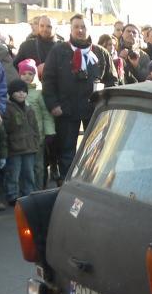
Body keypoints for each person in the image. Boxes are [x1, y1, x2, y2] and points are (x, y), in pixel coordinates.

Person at [42, 14, 117, 182]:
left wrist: (107, 104)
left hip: (95, 110)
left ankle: (92, 181)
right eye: (76, 27)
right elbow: (48, 79)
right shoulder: (59, 51)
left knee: (96, 148)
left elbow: (113, 80)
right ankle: (66, 182)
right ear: (70, 29)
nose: (80, 30)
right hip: (66, 109)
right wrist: (53, 104)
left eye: (83, 27)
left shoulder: (101, 52)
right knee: (66, 149)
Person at [16, 59, 54, 190]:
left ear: (35, 75)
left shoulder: (39, 92)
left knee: (38, 165)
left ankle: (39, 189)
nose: (27, 76)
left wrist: (50, 132)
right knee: (25, 166)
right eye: (24, 73)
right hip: (21, 137)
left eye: (30, 73)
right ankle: (25, 190)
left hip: (38, 136)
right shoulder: (15, 92)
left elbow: (46, 114)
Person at [3, 78, 39, 203]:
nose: (21, 94)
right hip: (14, 149)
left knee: (29, 173)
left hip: (29, 147)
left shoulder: (29, 109)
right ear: (11, 93)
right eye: (18, 91)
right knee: (13, 173)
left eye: (24, 91)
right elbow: (6, 129)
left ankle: (28, 194)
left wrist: (36, 141)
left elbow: (35, 127)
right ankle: (12, 195)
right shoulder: (7, 108)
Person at [14, 16, 58, 82]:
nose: (44, 29)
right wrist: (29, 73)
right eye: (42, 26)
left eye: (49, 26)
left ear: (55, 28)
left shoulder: (63, 48)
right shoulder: (26, 46)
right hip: (33, 86)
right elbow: (16, 66)